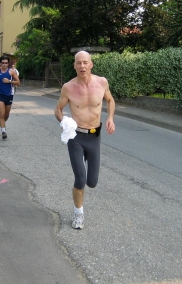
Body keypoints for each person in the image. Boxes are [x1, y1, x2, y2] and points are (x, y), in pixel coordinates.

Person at [54, 51, 116, 230]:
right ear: (74, 66)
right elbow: (58, 109)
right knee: (80, 179)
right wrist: (63, 120)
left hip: (94, 136)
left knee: (92, 182)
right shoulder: (68, 87)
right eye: (78, 63)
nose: (82, 66)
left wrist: (110, 118)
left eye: (85, 62)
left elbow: (110, 100)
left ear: (91, 64)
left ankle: (81, 202)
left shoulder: (102, 82)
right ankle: (78, 213)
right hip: (76, 137)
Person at [0, 55, 20, 140]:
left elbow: (18, 82)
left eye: (6, 63)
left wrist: (10, 81)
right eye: (3, 63)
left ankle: (2, 123)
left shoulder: (11, 72)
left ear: (8, 63)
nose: (4, 64)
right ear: (0, 63)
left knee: (6, 115)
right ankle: (3, 131)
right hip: (0, 95)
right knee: (2, 114)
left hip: (9, 95)